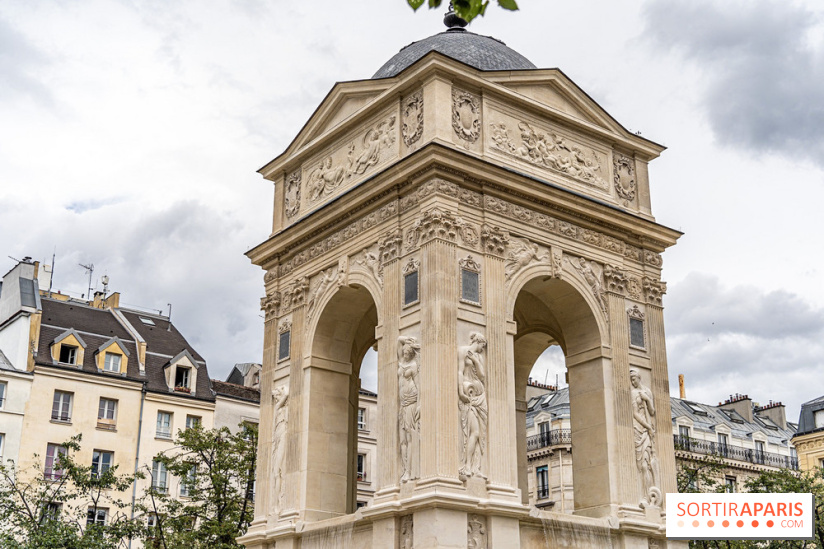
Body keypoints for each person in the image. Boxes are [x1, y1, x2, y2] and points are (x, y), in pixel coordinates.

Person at [458, 332, 488, 479]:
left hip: (480, 397)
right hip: (468, 395)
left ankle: (476, 467)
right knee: (474, 432)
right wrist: (460, 391)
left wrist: (476, 361)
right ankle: (467, 465)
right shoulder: (462, 350)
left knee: (480, 434)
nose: (483, 347)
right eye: (483, 345)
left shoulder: (479, 357)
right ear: (479, 341)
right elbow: (459, 371)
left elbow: (482, 376)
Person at [397, 336, 420, 482]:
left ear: (412, 353)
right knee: (402, 440)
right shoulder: (401, 361)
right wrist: (409, 341)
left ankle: (409, 471)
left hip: (411, 403)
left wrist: (420, 403)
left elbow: (419, 385)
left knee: (410, 438)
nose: (405, 355)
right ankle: (405, 469)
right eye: (404, 352)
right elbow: (398, 339)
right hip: (402, 405)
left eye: (407, 353)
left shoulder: (414, 366)